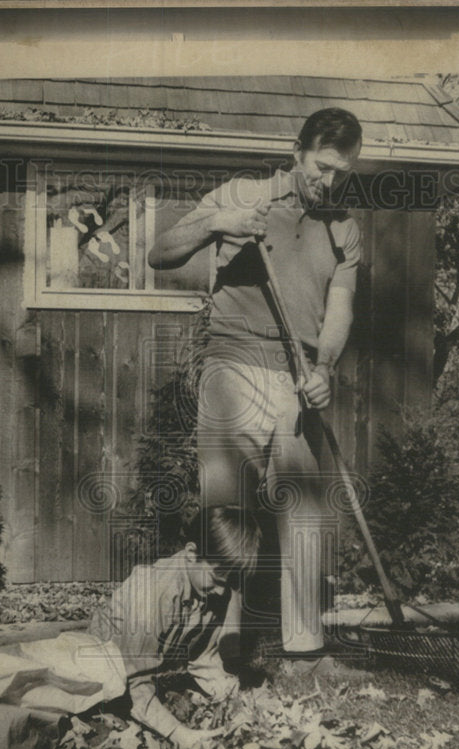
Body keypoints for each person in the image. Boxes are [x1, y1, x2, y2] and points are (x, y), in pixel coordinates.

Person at [148, 107, 363, 662]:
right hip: (233, 367)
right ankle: (225, 642)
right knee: (230, 509)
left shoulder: (343, 228)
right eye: (321, 168)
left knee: (305, 508)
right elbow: (160, 253)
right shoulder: (242, 195)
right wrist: (215, 225)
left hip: (299, 376)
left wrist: (325, 370)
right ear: (297, 153)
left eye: (343, 171)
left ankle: (305, 645)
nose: (329, 182)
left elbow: (339, 310)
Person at [89, 505, 261, 749]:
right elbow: (133, 682)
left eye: (230, 581)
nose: (223, 591)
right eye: (217, 578)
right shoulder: (156, 590)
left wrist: (239, 700)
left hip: (138, 671)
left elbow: (205, 659)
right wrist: (180, 733)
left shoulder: (212, 585)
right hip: (97, 670)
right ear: (191, 553)